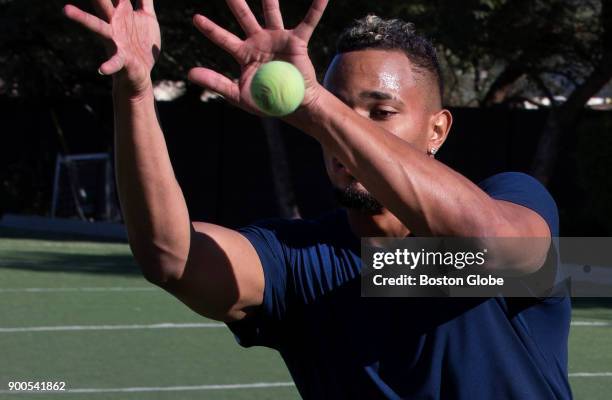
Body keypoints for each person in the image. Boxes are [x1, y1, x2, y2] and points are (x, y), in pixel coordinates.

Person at [63, 1, 572, 398]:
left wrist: (318, 105)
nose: (343, 133)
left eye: (381, 111)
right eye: (337, 109)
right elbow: (172, 258)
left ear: (437, 129)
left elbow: (497, 249)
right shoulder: (298, 262)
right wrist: (134, 96)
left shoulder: (513, 196)